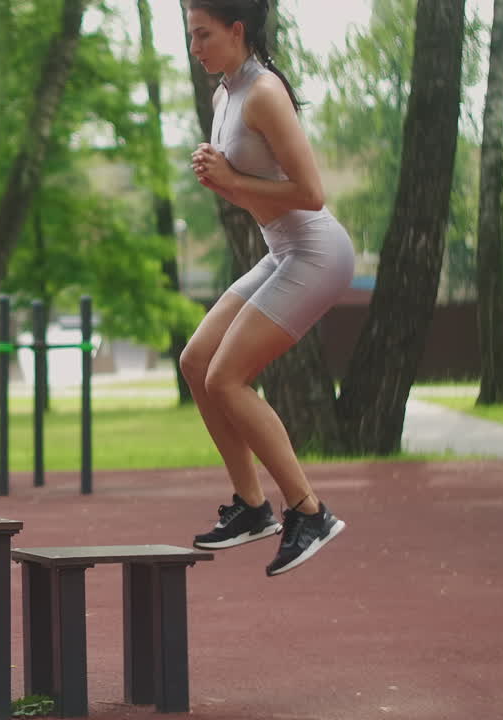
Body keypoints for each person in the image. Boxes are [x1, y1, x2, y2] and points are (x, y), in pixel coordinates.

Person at [181, 0, 351, 576]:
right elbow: (253, 191)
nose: (196, 46)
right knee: (196, 360)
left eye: (204, 34)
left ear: (237, 29)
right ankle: (253, 508)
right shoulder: (224, 94)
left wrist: (231, 178)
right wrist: (221, 182)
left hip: (317, 251)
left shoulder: (264, 92)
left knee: (226, 378)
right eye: (190, 35)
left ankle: (310, 510)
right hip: (281, 249)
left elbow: (310, 193)